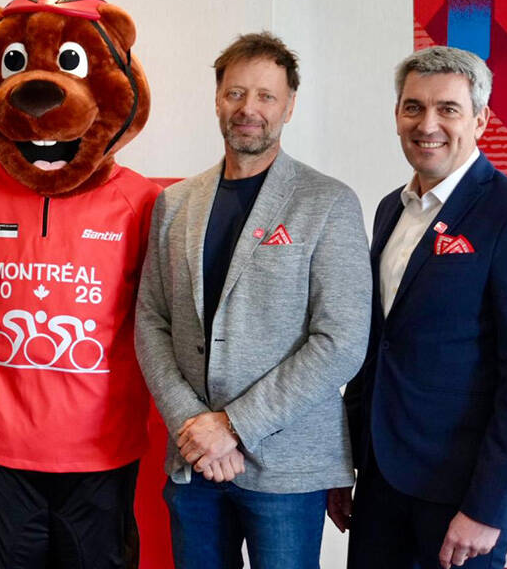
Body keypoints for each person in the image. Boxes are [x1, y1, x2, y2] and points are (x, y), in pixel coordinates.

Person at [134, 31, 371, 568]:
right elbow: (151, 320)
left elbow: (341, 342)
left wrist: (233, 426)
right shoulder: (175, 203)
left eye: (266, 96)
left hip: (287, 469)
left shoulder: (328, 202)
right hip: (194, 460)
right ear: (218, 100)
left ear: (289, 106)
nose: (249, 109)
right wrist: (193, 424)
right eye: (236, 93)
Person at [343, 46, 507, 569]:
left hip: (461, 496)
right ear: (397, 115)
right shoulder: (389, 209)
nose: (428, 125)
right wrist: (345, 463)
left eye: (448, 109)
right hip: (379, 483)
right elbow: (377, 345)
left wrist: (488, 506)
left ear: (480, 121)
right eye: (414, 107)